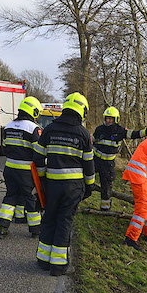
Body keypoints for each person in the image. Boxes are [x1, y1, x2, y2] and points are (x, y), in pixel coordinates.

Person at [33, 92, 95, 276]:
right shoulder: (84, 134)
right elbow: (89, 164)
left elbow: (38, 158)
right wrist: (89, 186)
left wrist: (43, 180)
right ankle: (58, 266)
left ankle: (43, 261)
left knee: (49, 218)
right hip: (73, 188)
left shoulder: (50, 130)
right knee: (64, 222)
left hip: (52, 185)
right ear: (82, 111)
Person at [92, 107, 147, 211]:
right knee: (85, 178)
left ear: (116, 119)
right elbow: (92, 140)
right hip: (95, 160)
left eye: (111, 119)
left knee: (106, 186)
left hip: (108, 164)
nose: (108, 121)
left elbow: (136, 134)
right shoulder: (99, 129)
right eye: (107, 118)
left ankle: (105, 209)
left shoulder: (120, 131)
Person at [0, 96, 43, 239]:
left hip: (9, 168)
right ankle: (35, 229)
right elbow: (38, 153)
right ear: (33, 112)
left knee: (10, 196)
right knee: (29, 198)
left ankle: (2, 227)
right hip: (26, 171)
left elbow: (4, 148)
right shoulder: (34, 129)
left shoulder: (8, 126)